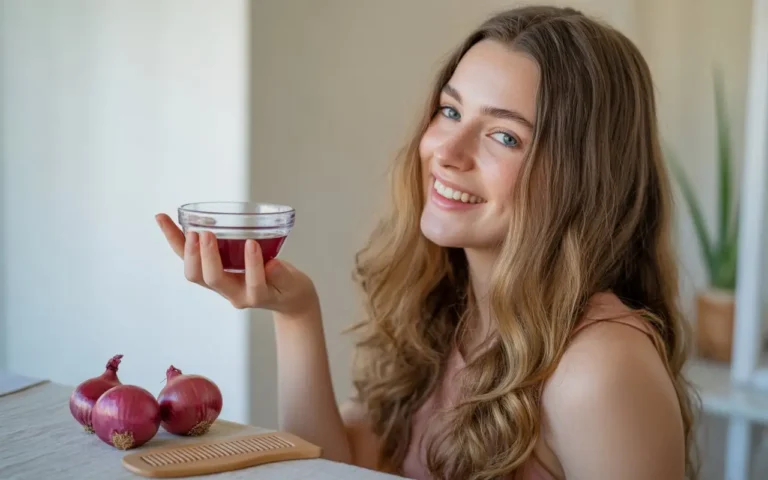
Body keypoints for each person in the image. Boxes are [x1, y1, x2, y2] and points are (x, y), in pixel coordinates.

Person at [156, 5, 698, 480]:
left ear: (586, 176)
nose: (448, 151)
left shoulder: (600, 366)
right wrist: (295, 311)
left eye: (504, 136)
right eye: (451, 111)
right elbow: (329, 469)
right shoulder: (447, 304)